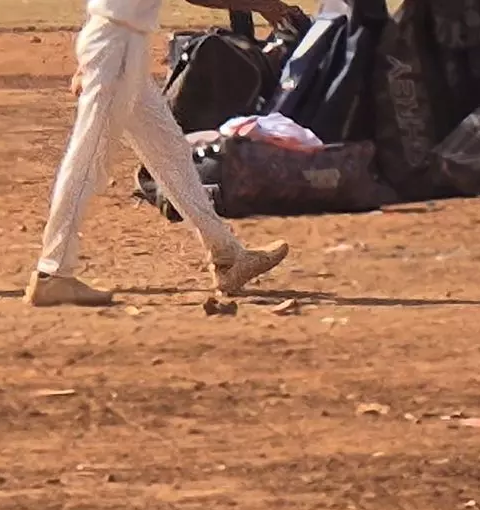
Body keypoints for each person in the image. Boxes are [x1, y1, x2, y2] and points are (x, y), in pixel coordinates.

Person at [27, 0, 308, 307]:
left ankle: (227, 256)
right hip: (115, 48)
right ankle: (52, 272)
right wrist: (263, 5)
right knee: (89, 158)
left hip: (121, 45)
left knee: (170, 151)